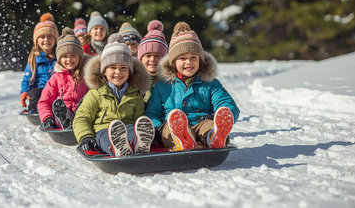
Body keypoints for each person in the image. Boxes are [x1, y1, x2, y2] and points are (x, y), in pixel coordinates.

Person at [144, 22, 239, 151]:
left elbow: (226, 103)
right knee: (169, 131)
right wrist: (158, 129)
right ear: (173, 63)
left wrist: (224, 114)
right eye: (182, 58)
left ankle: (215, 137)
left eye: (193, 57)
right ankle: (181, 141)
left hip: (201, 123)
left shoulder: (210, 83)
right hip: (172, 126)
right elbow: (152, 113)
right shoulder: (163, 86)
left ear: (200, 60)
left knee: (209, 127)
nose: (188, 62)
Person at [73, 33, 154, 157]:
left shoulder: (135, 93)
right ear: (104, 71)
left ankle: (138, 145)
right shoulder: (95, 93)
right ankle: (117, 148)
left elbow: (139, 118)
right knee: (105, 138)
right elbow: (82, 117)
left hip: (128, 127)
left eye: (123, 68)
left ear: (129, 71)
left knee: (134, 132)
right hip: (103, 130)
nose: (118, 72)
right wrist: (85, 137)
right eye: (113, 67)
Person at [37, 27, 89, 129]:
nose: (69, 59)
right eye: (65, 56)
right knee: (61, 110)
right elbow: (44, 101)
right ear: (60, 59)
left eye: (73, 55)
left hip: (83, 111)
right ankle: (64, 120)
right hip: (64, 110)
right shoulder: (56, 78)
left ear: (80, 57)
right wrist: (47, 118)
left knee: (84, 108)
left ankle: (76, 121)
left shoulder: (86, 76)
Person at [20, 12, 59, 113]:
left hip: (55, 89)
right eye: (42, 37)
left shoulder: (60, 57)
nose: (46, 40)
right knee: (37, 95)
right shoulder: (34, 58)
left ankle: (58, 113)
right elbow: (26, 78)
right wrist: (24, 91)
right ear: (37, 40)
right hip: (39, 88)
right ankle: (34, 111)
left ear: (55, 39)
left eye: (50, 36)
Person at [137, 20, 168, 103]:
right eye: (148, 55)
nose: (152, 59)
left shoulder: (169, 81)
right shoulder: (134, 80)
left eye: (157, 56)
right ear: (141, 58)